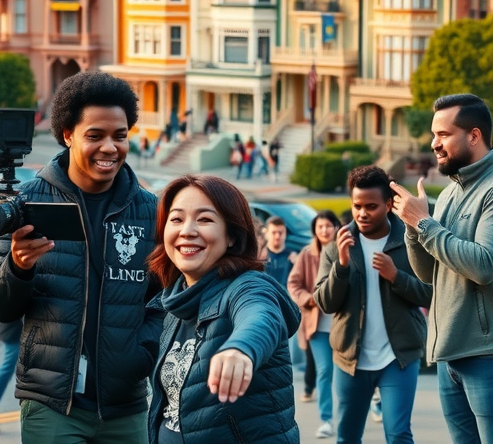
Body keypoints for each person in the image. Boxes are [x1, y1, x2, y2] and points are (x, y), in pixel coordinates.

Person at [0, 71, 162, 444]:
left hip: (125, 406)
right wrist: (18, 266)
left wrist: (140, 355)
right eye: (94, 136)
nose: (110, 147)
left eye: (120, 136)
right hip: (52, 405)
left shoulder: (150, 210)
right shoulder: (23, 203)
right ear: (68, 135)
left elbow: (164, 299)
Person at [390, 93, 493, 444]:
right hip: (450, 353)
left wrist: (424, 224)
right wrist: (413, 229)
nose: (434, 143)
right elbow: (430, 274)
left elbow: (483, 265)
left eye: (443, 134)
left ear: (473, 135)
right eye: (433, 134)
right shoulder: (453, 192)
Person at [145, 175, 300, 443]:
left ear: (231, 236)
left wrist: (241, 349)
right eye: (177, 219)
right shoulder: (172, 301)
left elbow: (260, 316)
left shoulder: (247, 286)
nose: (187, 231)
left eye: (204, 219)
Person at [316, 165, 432, 444]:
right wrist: (341, 267)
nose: (362, 213)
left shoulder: (408, 242)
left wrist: (396, 276)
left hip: (399, 357)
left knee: (399, 434)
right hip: (350, 358)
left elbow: (430, 294)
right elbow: (325, 303)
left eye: (371, 206)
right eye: (357, 206)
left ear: (389, 205)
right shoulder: (338, 245)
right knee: (347, 437)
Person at [287, 210, 342, 439]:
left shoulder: (346, 251)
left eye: (328, 226)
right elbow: (294, 284)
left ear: (337, 227)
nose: (324, 230)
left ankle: (356, 414)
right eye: (319, 227)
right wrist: (309, 299)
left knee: (347, 374)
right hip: (317, 327)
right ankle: (327, 419)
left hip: (343, 325)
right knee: (325, 371)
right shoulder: (307, 254)